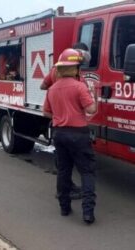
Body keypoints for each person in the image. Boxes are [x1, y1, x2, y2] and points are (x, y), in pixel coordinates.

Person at [43, 48, 97, 224]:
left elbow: (46, 113)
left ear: (59, 68)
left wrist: (60, 117)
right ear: (75, 69)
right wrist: (93, 98)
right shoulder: (79, 86)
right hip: (79, 134)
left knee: (64, 172)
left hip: (60, 133)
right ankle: (88, 213)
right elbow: (91, 109)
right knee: (87, 173)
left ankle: (64, 208)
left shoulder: (52, 89)